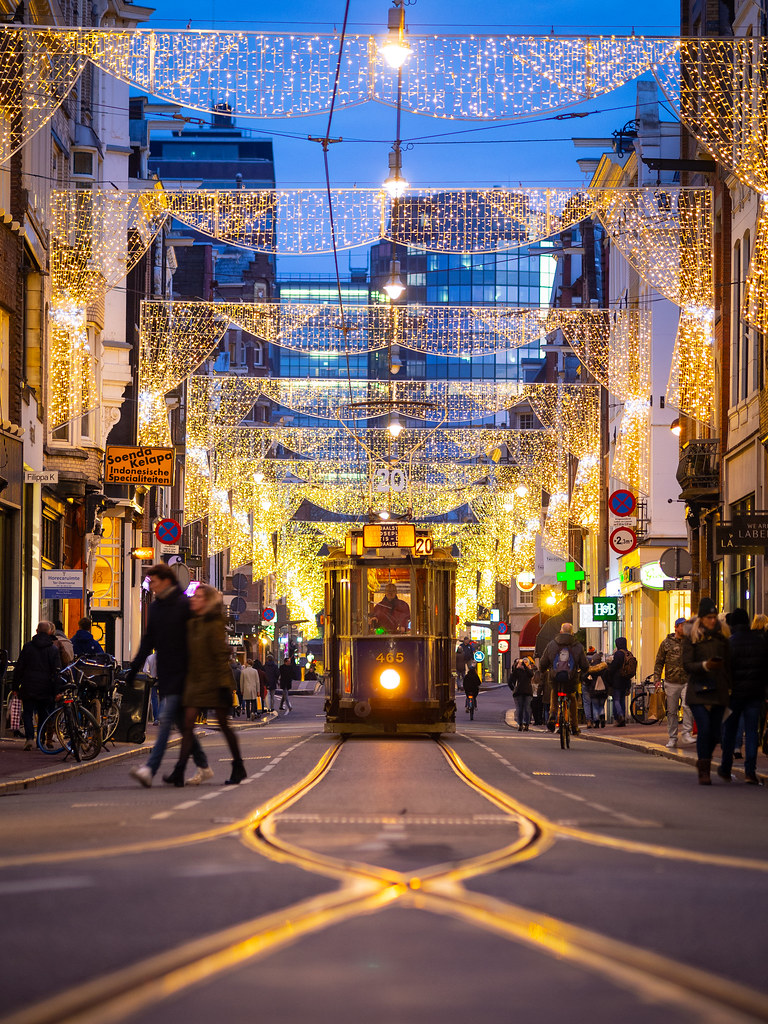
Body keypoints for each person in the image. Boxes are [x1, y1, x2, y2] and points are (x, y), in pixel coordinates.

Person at [127, 565, 212, 788]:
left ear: (165, 581)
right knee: (183, 726)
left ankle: (149, 769)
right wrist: (133, 670)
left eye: (153, 581)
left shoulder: (185, 606)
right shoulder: (155, 608)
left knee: (164, 721)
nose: (151, 586)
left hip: (184, 676)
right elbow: (148, 641)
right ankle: (204, 767)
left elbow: (196, 641)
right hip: (166, 675)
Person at [164, 583, 246, 787]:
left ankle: (238, 765)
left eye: (199, 596)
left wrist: (224, 687)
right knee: (187, 725)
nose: (194, 599)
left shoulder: (215, 624)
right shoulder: (192, 623)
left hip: (215, 682)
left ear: (207, 602)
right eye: (194, 596)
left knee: (224, 727)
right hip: (196, 682)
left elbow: (221, 655)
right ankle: (179, 770)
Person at [682, 598, 731, 785]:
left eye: (714, 616)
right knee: (704, 729)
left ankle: (705, 760)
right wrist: (705, 665)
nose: (713, 620)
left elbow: (729, 664)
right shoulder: (692, 638)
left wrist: (731, 687)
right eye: (709, 617)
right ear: (701, 618)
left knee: (716, 733)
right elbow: (687, 665)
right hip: (698, 690)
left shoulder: (722, 636)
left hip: (719, 690)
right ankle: (704, 769)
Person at [720, 607, 765, 785]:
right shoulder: (760, 642)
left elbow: (724, 671)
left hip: (734, 694)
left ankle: (725, 766)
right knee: (752, 732)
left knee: (730, 730)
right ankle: (750, 771)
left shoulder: (730, 643)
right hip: (755, 693)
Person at [13, 622, 61, 750]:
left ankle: (29, 738)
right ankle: (41, 739)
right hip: (46, 687)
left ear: (36, 631)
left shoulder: (28, 647)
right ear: (50, 632)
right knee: (43, 714)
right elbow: (57, 672)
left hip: (28, 685)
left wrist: (15, 687)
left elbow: (19, 668)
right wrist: (57, 690)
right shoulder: (53, 649)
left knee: (27, 713)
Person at [539, 622, 587, 736]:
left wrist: (543, 671)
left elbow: (543, 663)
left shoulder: (552, 645)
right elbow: (585, 665)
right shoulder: (577, 646)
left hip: (555, 678)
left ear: (560, 631)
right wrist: (582, 674)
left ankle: (553, 715)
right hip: (571, 679)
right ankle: (574, 726)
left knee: (554, 693)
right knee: (571, 697)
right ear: (572, 632)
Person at [653, 617, 695, 749]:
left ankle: (687, 732)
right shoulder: (666, 643)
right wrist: (657, 679)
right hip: (671, 682)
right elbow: (659, 661)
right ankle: (672, 737)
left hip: (687, 680)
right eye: (682, 626)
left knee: (687, 706)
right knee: (672, 712)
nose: (685, 628)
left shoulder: (691, 642)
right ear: (676, 627)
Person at [603, 637, 634, 727]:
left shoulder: (618, 654)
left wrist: (608, 673)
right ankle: (622, 716)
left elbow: (613, 667)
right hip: (626, 680)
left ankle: (619, 716)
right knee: (622, 699)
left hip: (617, 680)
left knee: (616, 699)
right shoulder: (629, 653)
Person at [582, 646, 608, 729]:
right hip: (603, 689)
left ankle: (593, 721)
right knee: (601, 705)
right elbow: (608, 677)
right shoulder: (604, 667)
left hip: (593, 688)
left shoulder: (591, 668)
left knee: (593, 705)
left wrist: (588, 682)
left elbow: (584, 677)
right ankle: (602, 717)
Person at [510, 657, 534, 731]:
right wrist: (516, 666)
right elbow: (512, 678)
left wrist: (525, 667)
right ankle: (520, 724)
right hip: (519, 692)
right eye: (522, 662)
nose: (524, 664)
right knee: (520, 709)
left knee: (527, 708)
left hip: (528, 692)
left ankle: (526, 724)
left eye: (526, 662)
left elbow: (531, 674)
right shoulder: (517, 671)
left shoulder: (529, 671)